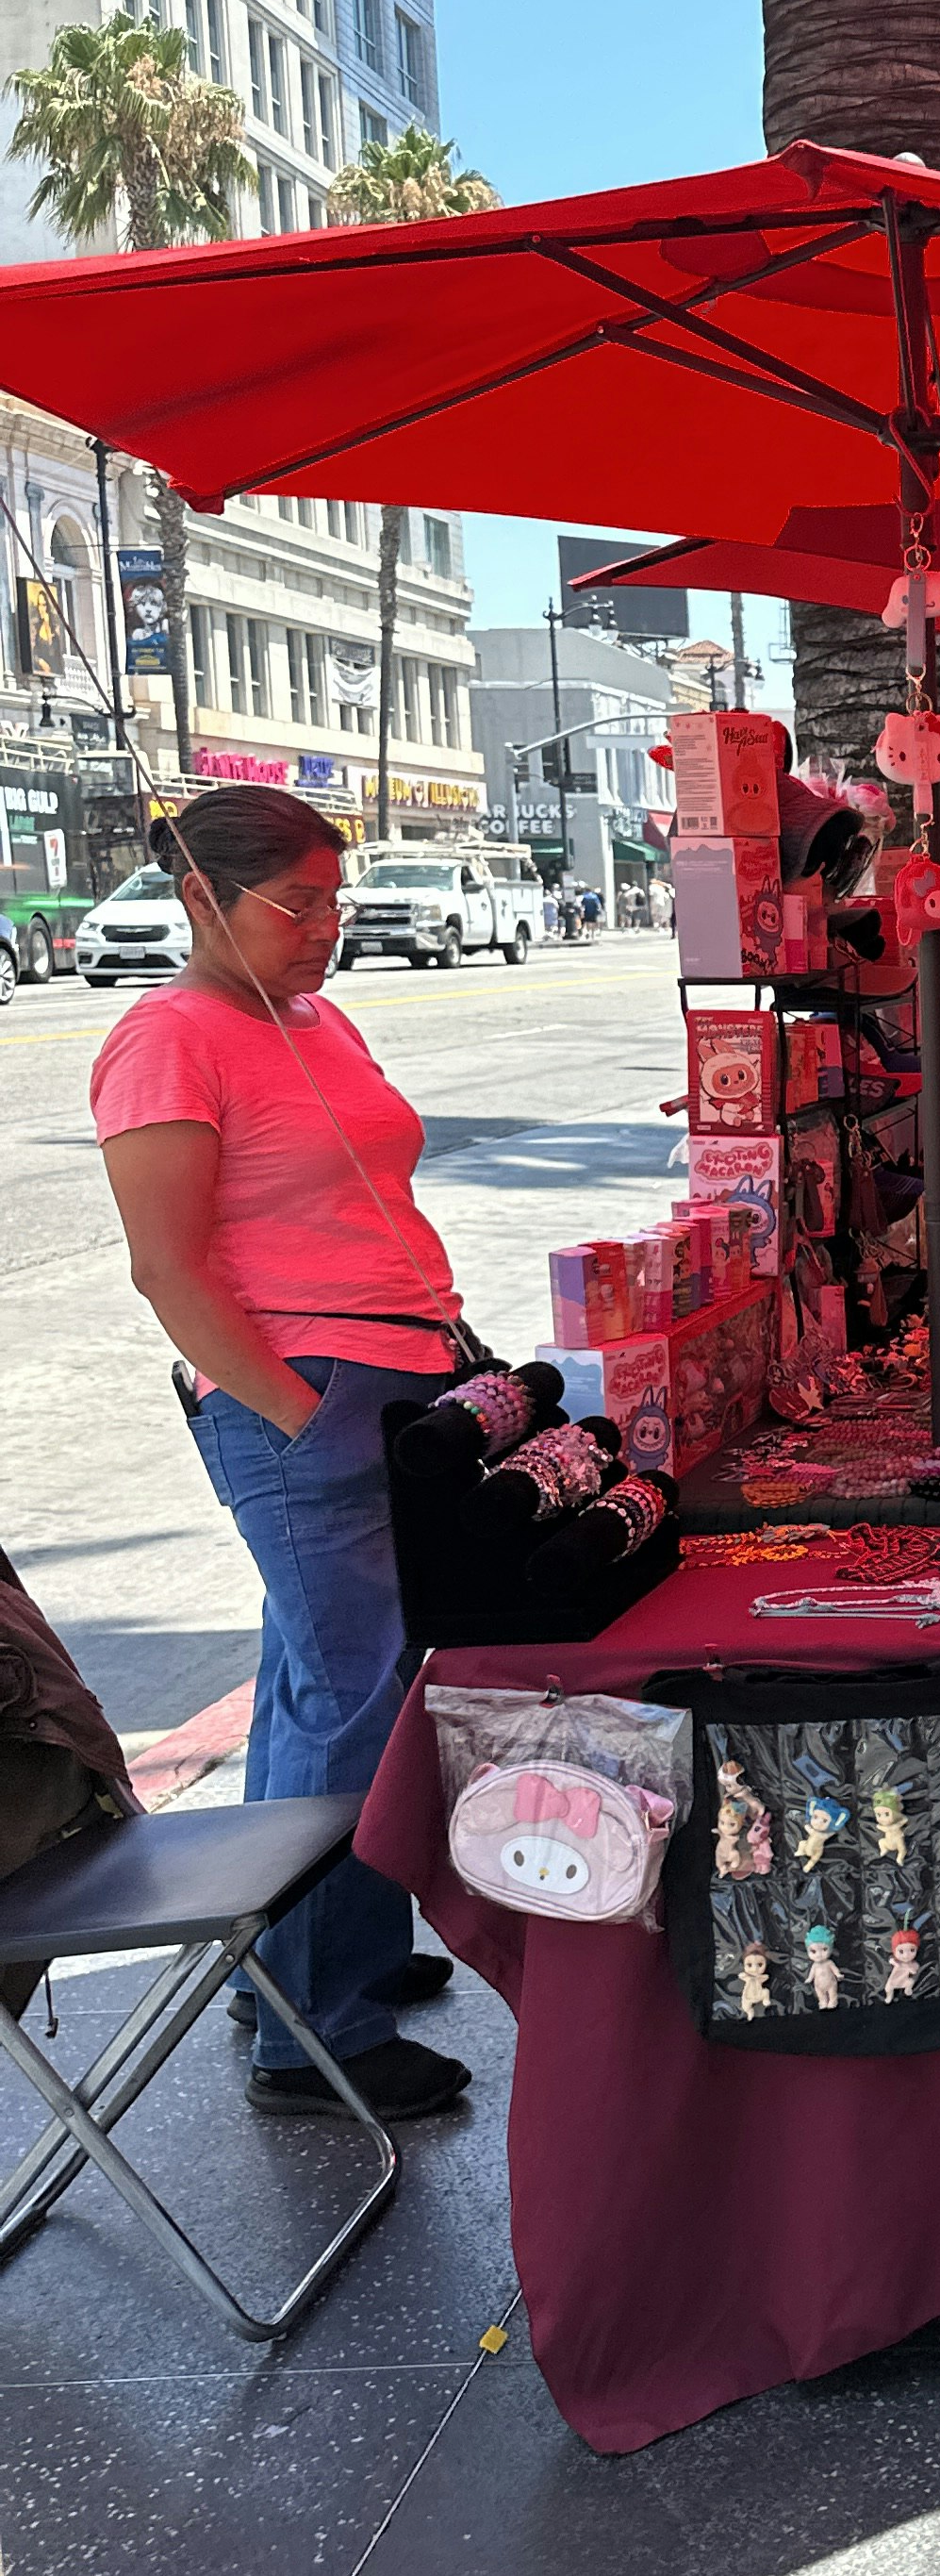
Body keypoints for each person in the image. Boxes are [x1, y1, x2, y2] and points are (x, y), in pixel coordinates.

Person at [90, 788, 470, 2121]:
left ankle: (304, 1959)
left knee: (333, 1680)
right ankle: (317, 2025)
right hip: (298, 1388)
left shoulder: (316, 1019)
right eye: (296, 904)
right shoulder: (167, 1039)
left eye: (333, 901)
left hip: (399, 1368)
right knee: (350, 1689)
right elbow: (168, 1267)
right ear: (205, 898)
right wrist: (292, 1412)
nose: (325, 927)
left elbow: (367, 1195)